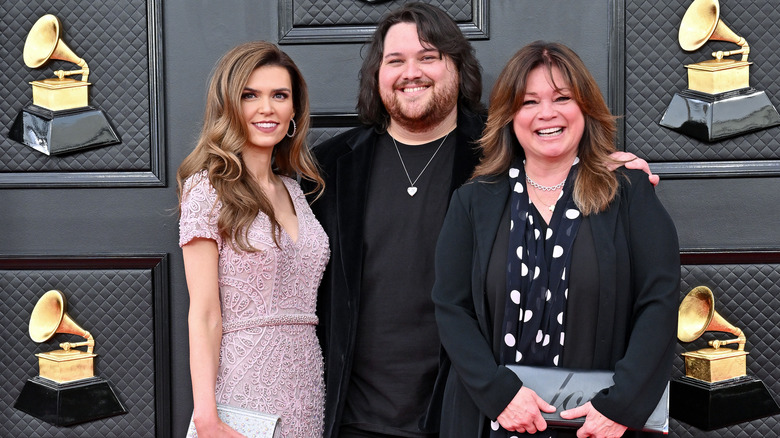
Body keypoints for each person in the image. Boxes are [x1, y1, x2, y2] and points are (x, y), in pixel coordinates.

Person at [306, 4, 657, 437]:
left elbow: (554, 143)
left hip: (463, 410)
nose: (410, 72)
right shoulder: (328, 168)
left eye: (428, 56)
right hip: (356, 417)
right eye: (394, 60)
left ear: (457, 66)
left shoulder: (498, 157)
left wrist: (607, 166)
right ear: (376, 74)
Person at [431, 41, 680, 438]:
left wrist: (622, 404)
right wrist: (499, 395)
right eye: (529, 102)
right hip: (492, 420)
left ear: (585, 108)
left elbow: (660, 301)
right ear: (510, 116)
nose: (547, 113)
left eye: (562, 98)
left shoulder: (629, 192)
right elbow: (451, 307)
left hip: (602, 425)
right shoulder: (472, 201)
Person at [177, 41, 328, 438]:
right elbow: (205, 313)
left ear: (294, 109)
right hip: (242, 392)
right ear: (229, 105)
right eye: (250, 95)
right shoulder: (207, 189)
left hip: (306, 387)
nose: (267, 108)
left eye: (280, 95)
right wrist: (206, 418)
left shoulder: (295, 191)